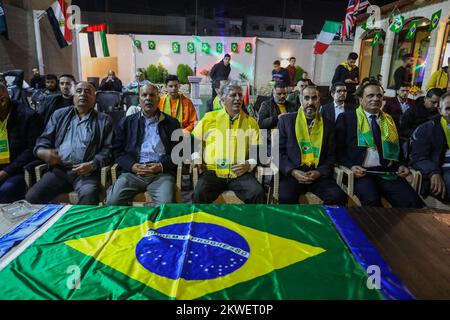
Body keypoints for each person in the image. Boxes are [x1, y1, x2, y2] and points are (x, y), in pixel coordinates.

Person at [335, 81, 422, 208]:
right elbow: (338, 150)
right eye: (370, 96)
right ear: (360, 99)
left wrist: (402, 164)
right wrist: (351, 166)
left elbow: (397, 148)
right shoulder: (347, 118)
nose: (375, 99)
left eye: (379, 96)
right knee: (372, 202)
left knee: (412, 202)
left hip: (388, 172)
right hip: (362, 173)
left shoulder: (390, 120)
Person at [25, 82, 114, 205]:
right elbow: (44, 139)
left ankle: (80, 224)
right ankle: (51, 223)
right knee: (32, 197)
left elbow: (108, 150)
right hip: (59, 171)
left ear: (95, 98)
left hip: (87, 173)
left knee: (89, 194)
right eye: (79, 91)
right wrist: (42, 151)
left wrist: (92, 164)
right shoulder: (59, 115)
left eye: (88, 92)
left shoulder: (104, 120)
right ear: (73, 96)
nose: (83, 94)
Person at [106, 84, 181, 206]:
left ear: (158, 99)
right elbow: (117, 151)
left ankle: (149, 218)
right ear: (139, 99)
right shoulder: (126, 122)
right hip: (132, 173)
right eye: (144, 95)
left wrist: (160, 166)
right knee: (112, 201)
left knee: (166, 205)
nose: (148, 98)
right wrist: (132, 166)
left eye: (152, 95)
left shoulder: (172, 123)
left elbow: (179, 153)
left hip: (160, 174)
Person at [191, 81, 266, 204]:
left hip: (239, 172)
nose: (237, 99)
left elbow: (257, 151)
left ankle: (251, 223)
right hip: (213, 171)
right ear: (223, 99)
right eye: (233, 95)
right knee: (199, 193)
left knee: (257, 193)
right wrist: (196, 157)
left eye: (240, 95)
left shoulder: (250, 122)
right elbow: (193, 140)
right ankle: (201, 223)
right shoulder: (210, 118)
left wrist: (249, 164)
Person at [278, 85, 347, 205]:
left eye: (314, 98)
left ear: (319, 100)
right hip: (293, 174)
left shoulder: (328, 125)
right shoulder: (286, 121)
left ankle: (320, 223)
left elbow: (331, 156)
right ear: (300, 99)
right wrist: (293, 171)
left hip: (318, 175)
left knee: (339, 197)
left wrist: (319, 172)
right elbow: (278, 152)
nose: (310, 102)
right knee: (286, 197)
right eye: (306, 98)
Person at [0, 83, 43, 203]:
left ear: (3, 101)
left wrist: (5, 172)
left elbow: (32, 150)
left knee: (5, 191)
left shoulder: (28, 117)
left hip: (18, 170)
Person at [411, 92, 450, 201]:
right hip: (441, 168)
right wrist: (433, 172)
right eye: (448, 108)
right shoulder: (427, 129)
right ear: (439, 110)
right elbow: (418, 157)